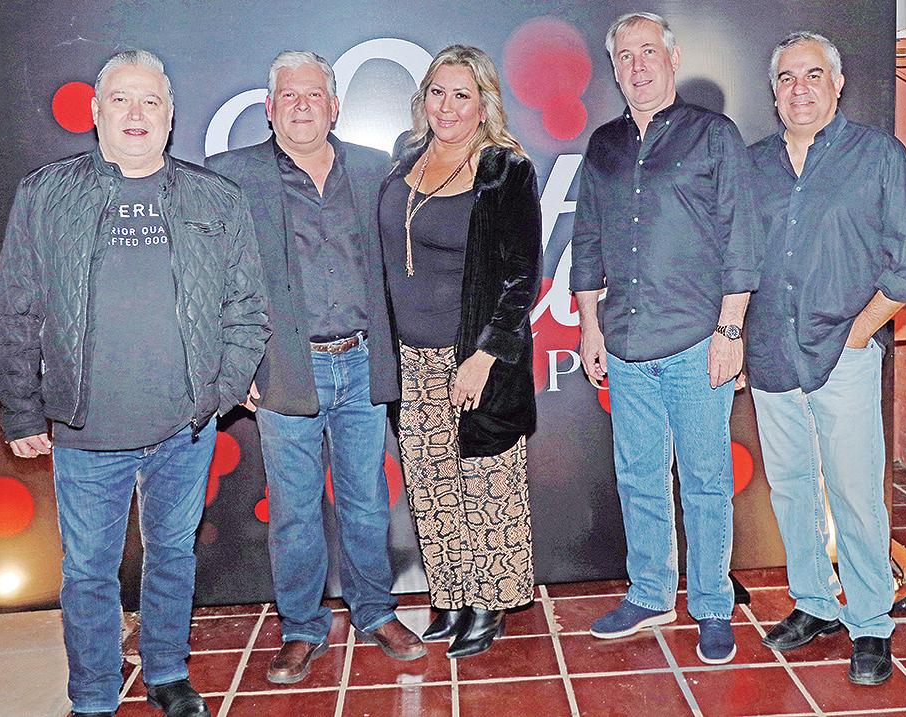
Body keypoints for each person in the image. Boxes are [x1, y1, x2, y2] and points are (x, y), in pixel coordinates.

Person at [0, 50, 270, 717]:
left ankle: (168, 673)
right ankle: (92, 695)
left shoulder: (216, 197)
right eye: (121, 99)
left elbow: (247, 309)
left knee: (173, 554)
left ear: (170, 115)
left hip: (185, 428)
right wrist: (22, 412)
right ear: (96, 112)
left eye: (151, 101)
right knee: (89, 570)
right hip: (86, 428)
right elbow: (16, 308)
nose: (136, 113)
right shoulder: (45, 194)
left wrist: (218, 392)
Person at [206, 50, 425, 684]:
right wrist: (234, 364)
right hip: (284, 369)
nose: (301, 105)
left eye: (313, 95)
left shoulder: (378, 169)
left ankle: (375, 612)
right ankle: (302, 629)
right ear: (269, 108)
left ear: (335, 106)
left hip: (362, 362)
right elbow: (209, 277)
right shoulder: (232, 176)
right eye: (288, 95)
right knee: (296, 512)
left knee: (367, 502)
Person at [745, 32, 906, 685]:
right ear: (774, 92)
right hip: (772, 353)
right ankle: (815, 602)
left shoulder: (877, 156)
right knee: (792, 488)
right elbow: (734, 259)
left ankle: (872, 623)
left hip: (844, 355)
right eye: (786, 78)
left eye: (812, 75)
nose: (799, 89)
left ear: (837, 83)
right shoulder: (753, 166)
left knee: (856, 494)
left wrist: (860, 331)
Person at [570, 12, 760, 665]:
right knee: (638, 476)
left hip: (696, 340)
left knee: (706, 480)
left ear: (672, 59)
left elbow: (741, 237)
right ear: (615, 68)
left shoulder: (714, 135)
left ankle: (711, 605)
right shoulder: (603, 145)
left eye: (648, 52)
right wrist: (589, 326)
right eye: (625, 56)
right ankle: (651, 593)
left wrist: (731, 329)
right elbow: (587, 240)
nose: (638, 65)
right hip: (625, 342)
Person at [379, 44, 542, 659]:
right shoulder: (406, 156)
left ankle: (488, 604)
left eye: (461, 95)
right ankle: (449, 597)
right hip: (408, 355)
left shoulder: (505, 169)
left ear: (483, 104)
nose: (446, 107)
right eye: (437, 93)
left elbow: (522, 275)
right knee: (431, 484)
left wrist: (483, 356)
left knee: (486, 481)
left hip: (473, 356)